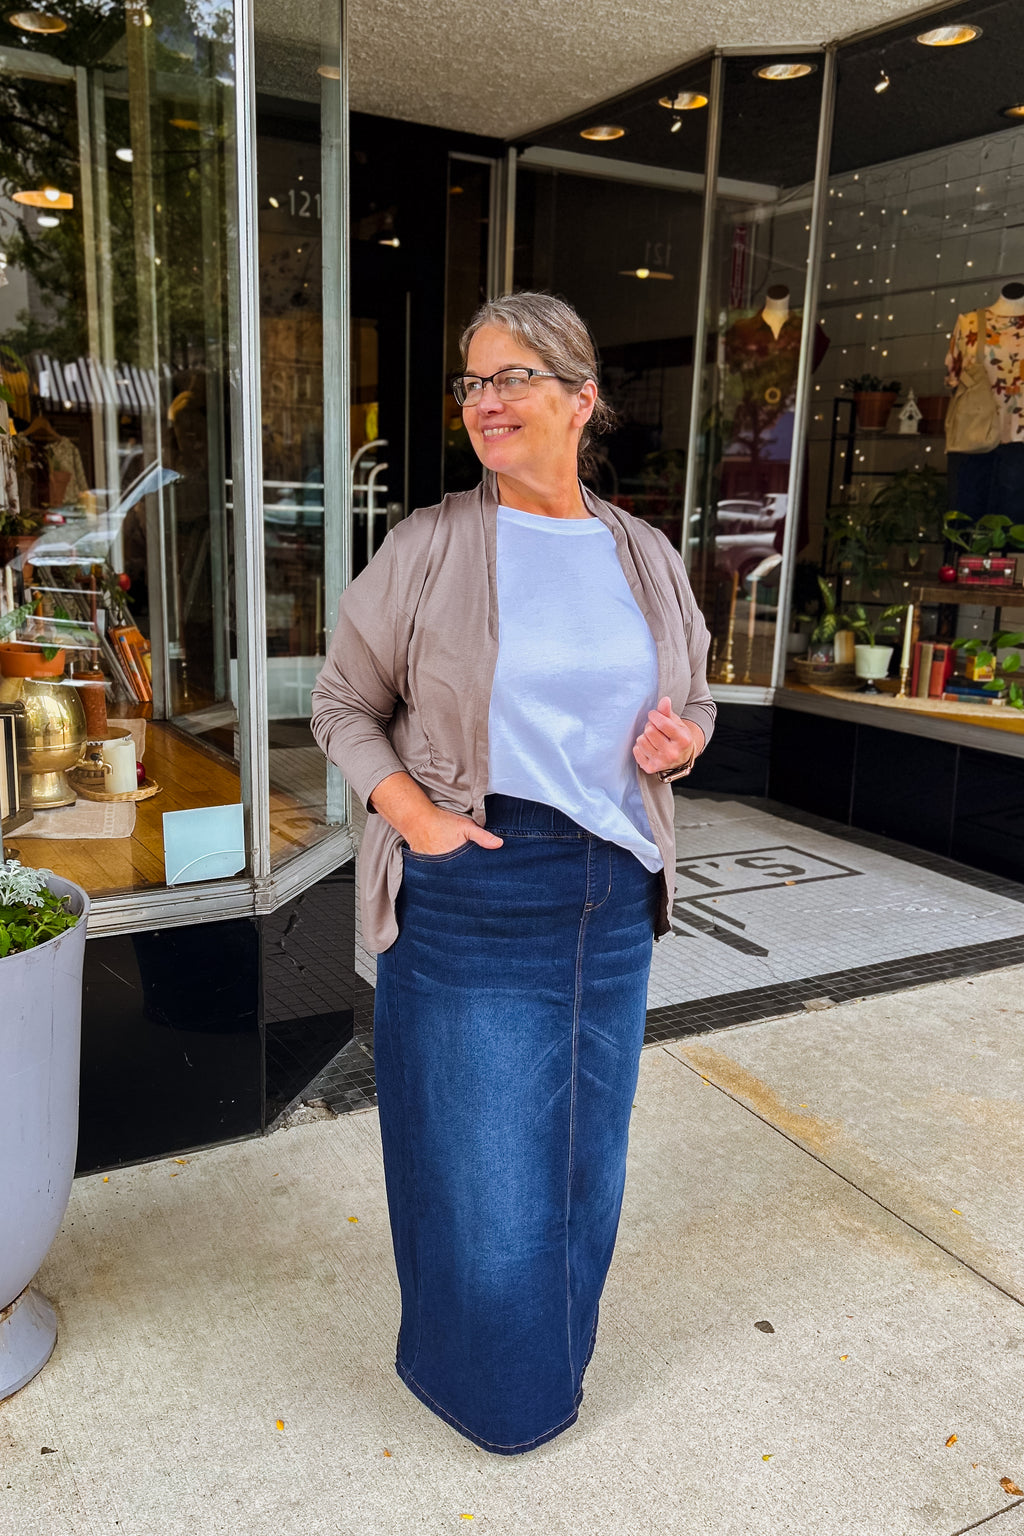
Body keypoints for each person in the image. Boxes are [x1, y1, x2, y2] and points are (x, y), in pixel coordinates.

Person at [311, 291, 715, 1455]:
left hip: (614, 893)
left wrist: (680, 741)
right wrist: (413, 820)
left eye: (513, 378)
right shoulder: (431, 544)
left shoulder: (641, 552)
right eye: (472, 383)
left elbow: (693, 697)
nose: (485, 402)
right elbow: (344, 704)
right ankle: (490, 1390)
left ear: (580, 400)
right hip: (479, 888)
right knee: (485, 1179)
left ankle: (553, 1359)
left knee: (588, 1163)